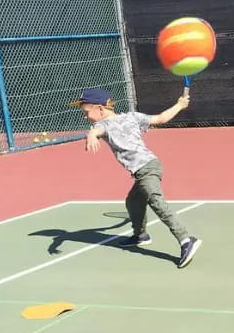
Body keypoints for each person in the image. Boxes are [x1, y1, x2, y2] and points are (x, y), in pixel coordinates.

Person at [71, 88, 202, 269]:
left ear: (100, 109)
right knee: (133, 202)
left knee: (157, 202)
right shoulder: (128, 117)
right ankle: (141, 235)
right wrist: (179, 105)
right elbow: (161, 118)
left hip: (147, 168)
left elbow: (160, 119)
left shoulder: (109, 124)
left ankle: (186, 240)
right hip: (145, 168)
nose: (85, 116)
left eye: (86, 112)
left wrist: (179, 105)